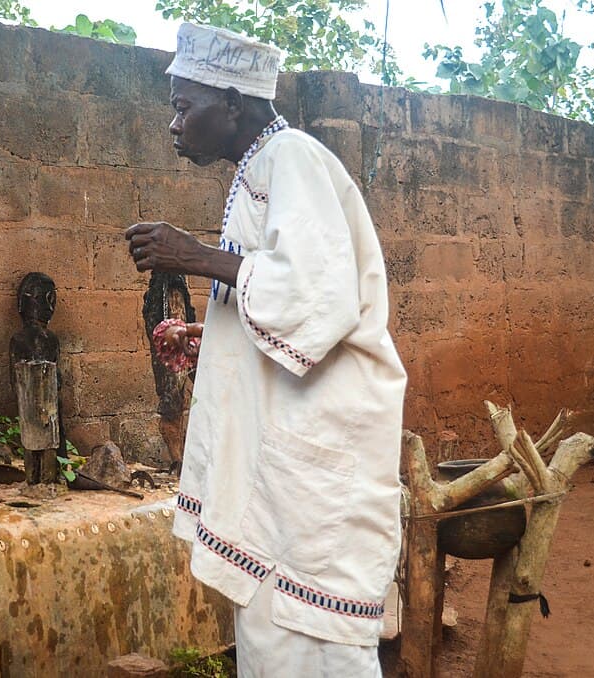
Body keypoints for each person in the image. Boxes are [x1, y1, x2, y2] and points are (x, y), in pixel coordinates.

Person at [125, 23, 407, 677]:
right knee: (277, 634)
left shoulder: (293, 159)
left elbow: (318, 294)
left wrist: (190, 255)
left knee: (317, 637)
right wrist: (212, 333)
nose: (173, 124)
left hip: (318, 457)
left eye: (182, 106)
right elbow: (276, 282)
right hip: (290, 465)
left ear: (230, 101)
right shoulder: (263, 168)